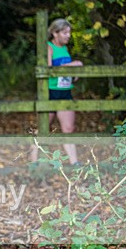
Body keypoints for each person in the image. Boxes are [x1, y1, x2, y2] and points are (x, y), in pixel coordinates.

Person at [31, 18, 83, 165]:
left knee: (69, 128)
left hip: (65, 92)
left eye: (69, 32)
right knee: (43, 128)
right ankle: (35, 163)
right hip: (49, 92)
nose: (68, 36)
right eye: (65, 32)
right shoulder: (48, 48)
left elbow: (65, 70)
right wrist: (74, 65)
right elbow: (48, 69)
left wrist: (74, 74)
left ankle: (75, 164)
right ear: (55, 33)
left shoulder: (65, 49)